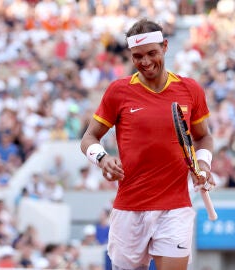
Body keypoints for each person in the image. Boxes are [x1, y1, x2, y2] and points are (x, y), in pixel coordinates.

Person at [80, 18, 215, 270]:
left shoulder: (190, 89)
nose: (145, 62)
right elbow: (89, 138)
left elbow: (203, 136)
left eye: (152, 53)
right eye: (137, 56)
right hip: (129, 207)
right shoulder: (117, 91)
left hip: (176, 207)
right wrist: (102, 159)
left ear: (165, 47)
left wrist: (204, 164)